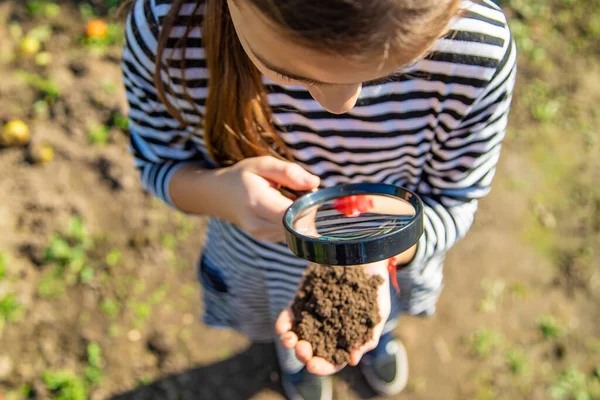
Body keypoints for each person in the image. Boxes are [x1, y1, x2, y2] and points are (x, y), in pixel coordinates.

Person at [121, 0, 516, 398]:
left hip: (389, 271)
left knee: (379, 318)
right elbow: (159, 163)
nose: (340, 105)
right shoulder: (166, 34)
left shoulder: (474, 50)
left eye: (388, 70)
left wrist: (381, 254)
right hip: (263, 266)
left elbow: (456, 199)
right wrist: (219, 194)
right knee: (291, 339)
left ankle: (380, 342)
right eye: (292, 73)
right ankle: (295, 368)